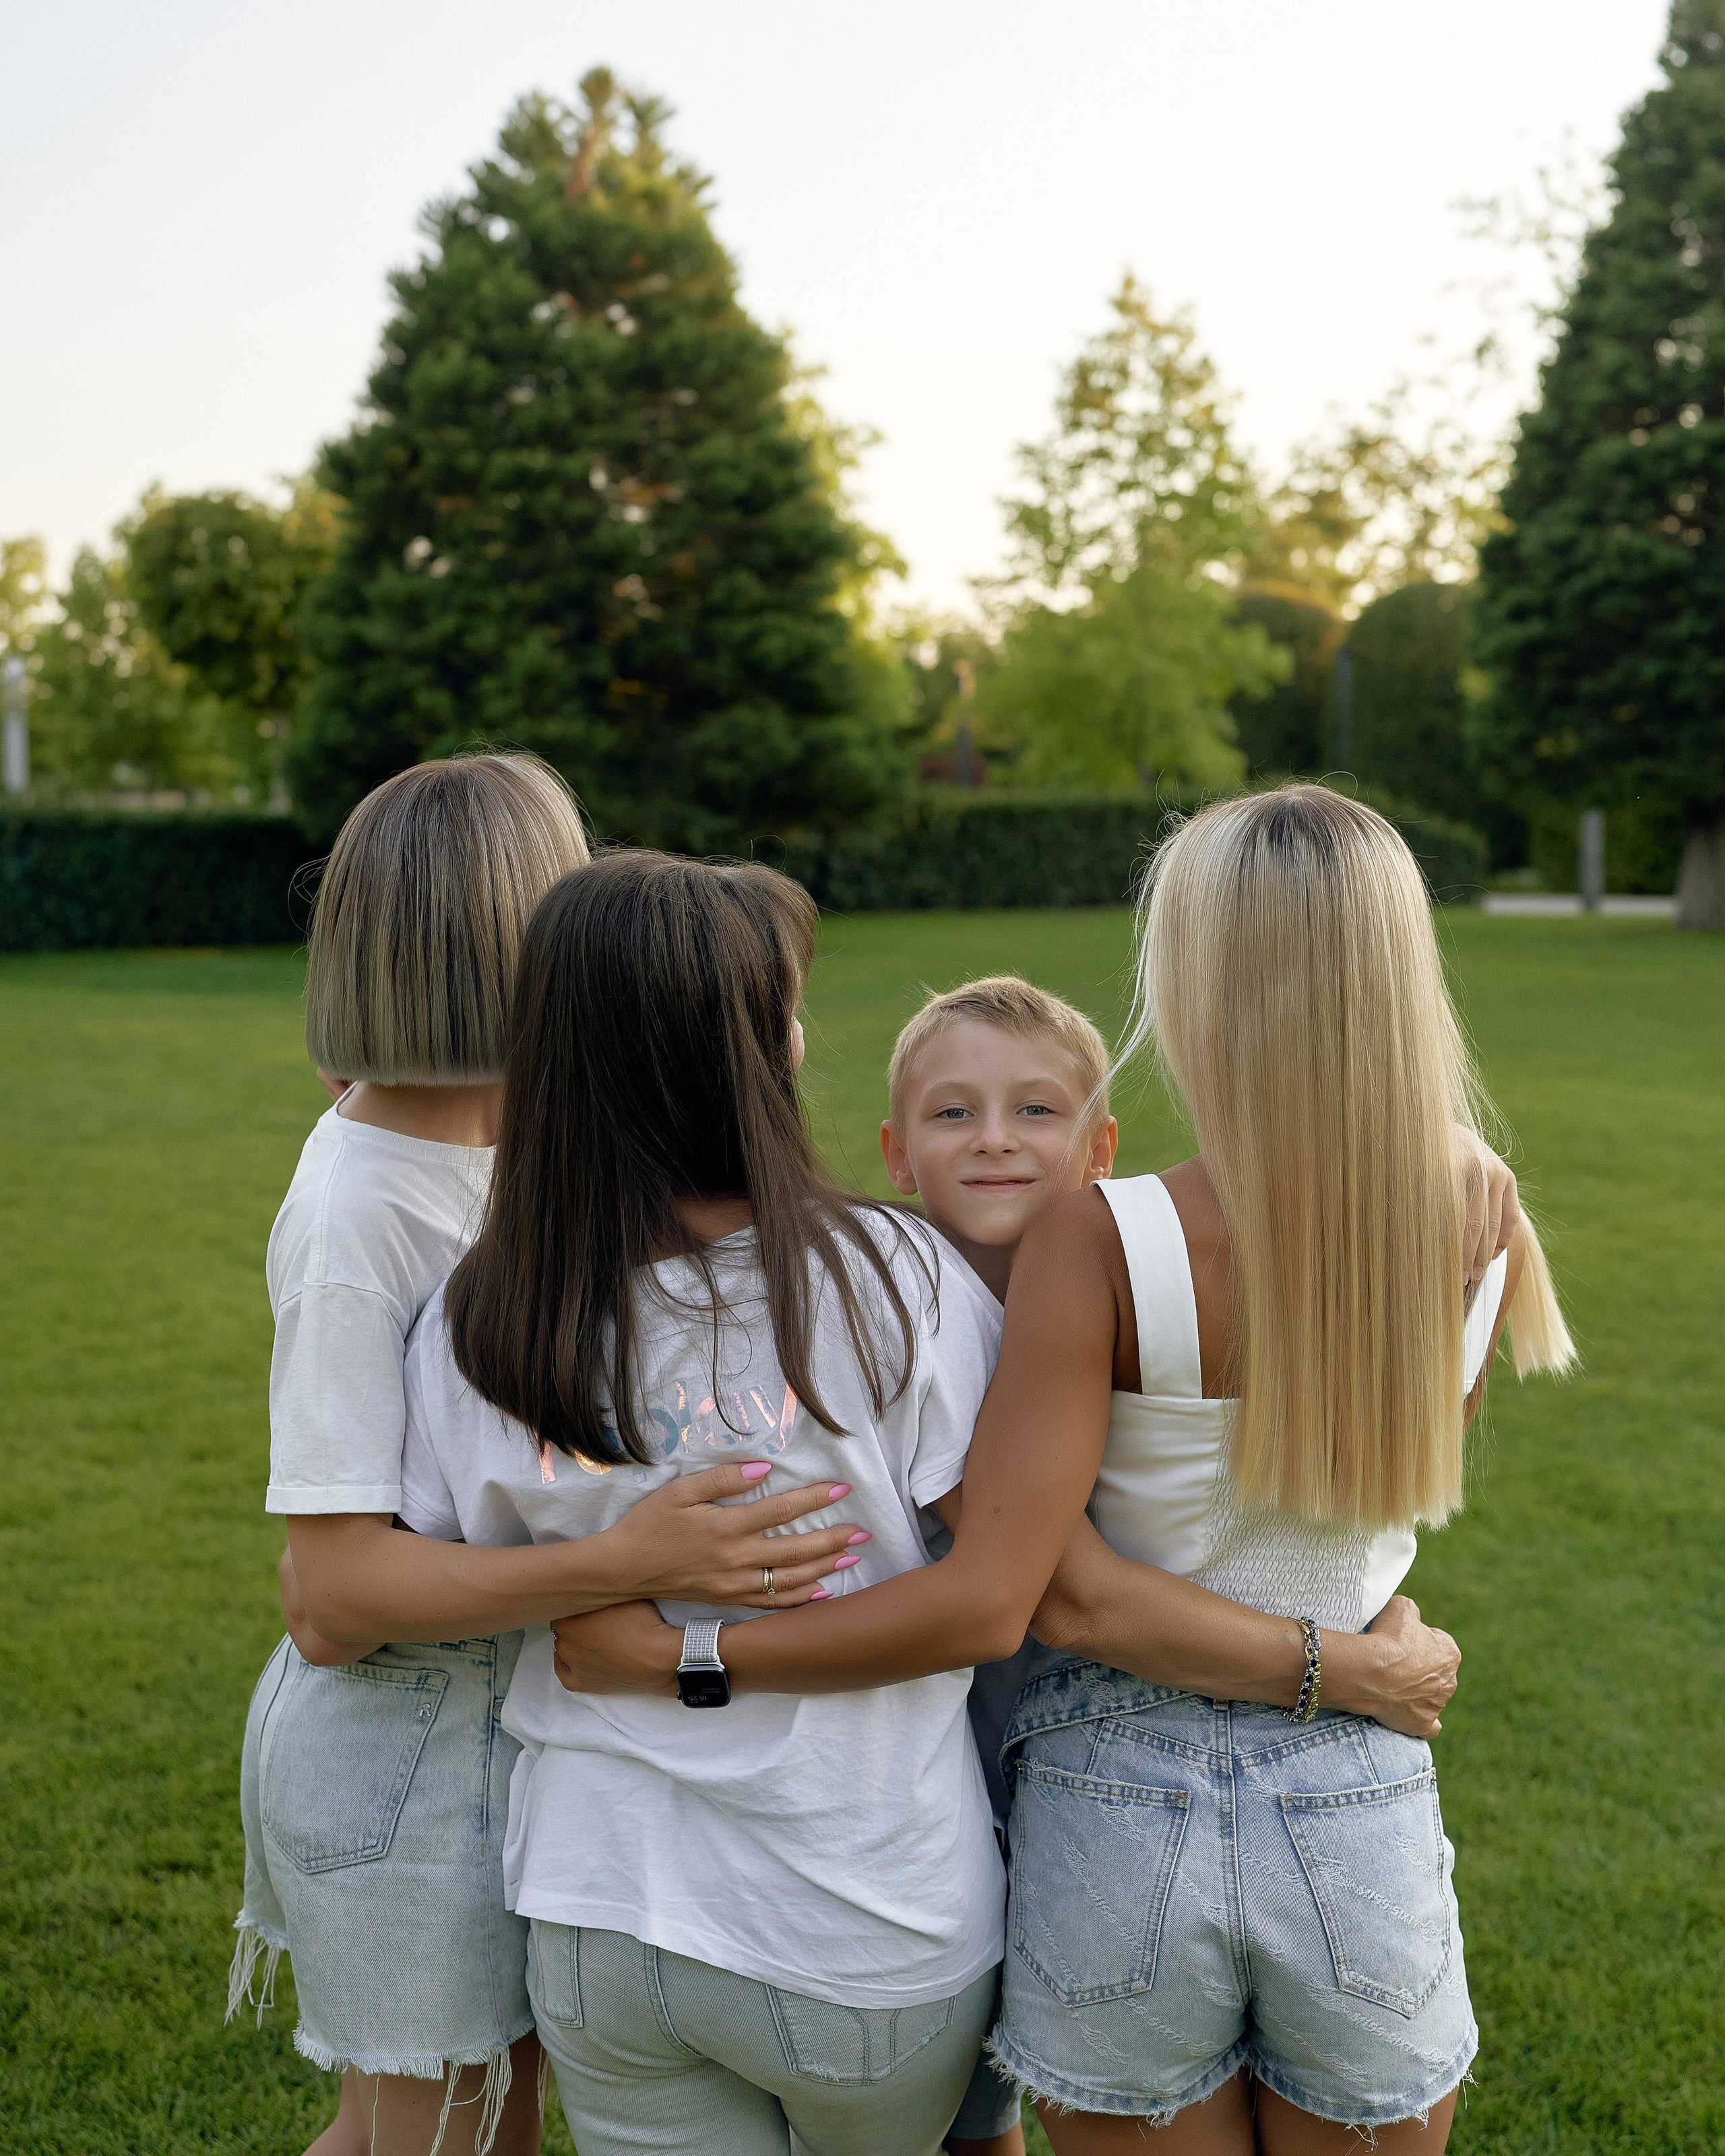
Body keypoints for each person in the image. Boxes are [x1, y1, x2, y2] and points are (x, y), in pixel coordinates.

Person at [551, 786, 1572, 2155]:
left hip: (1115, 1790)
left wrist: (684, 1652)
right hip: (1357, 1796)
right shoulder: (1480, 1215)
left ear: (1197, 978)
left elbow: (1060, 1595)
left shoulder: (1102, 1237)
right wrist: (1349, 1670)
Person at [233, 761, 858, 2156]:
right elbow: (330, 1598)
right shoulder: (358, 1212)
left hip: (513, 1726)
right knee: (442, 2137)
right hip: (407, 1745)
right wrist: (627, 1561)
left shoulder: (528, 1141)